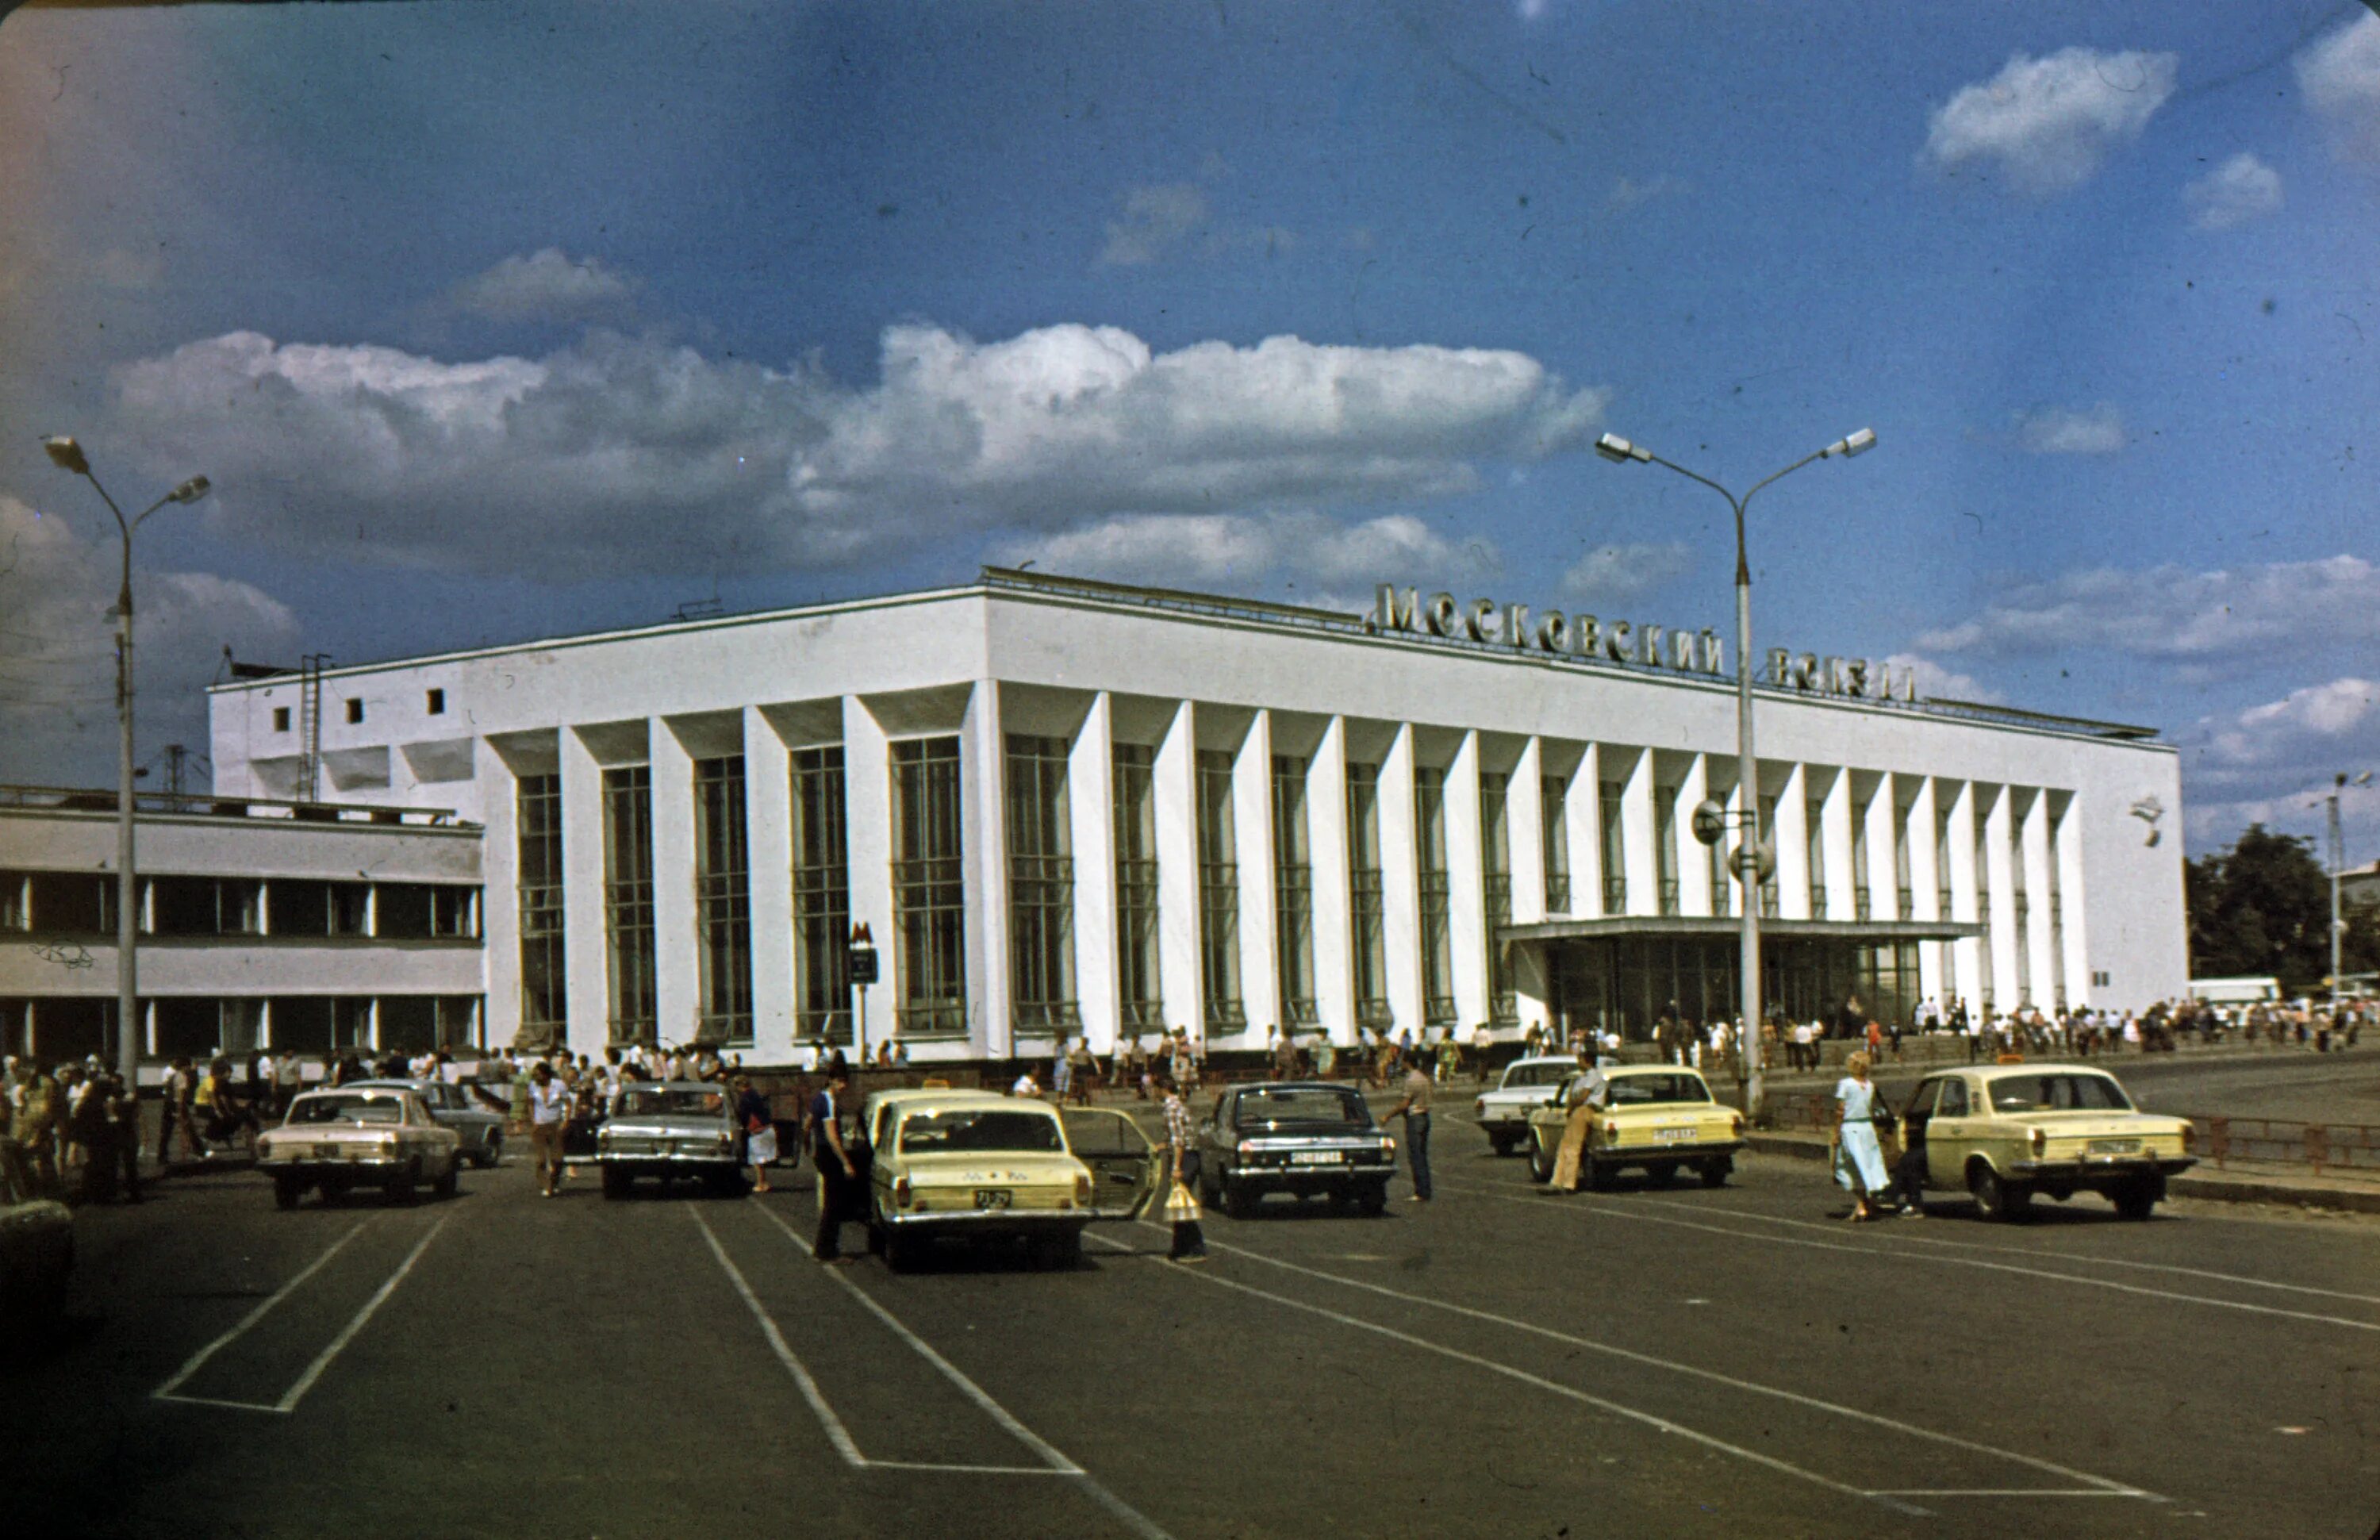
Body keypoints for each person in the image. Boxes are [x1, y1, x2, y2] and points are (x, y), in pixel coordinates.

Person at [808, 1061, 858, 1264]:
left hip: (820, 1152)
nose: (843, 1086)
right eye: (840, 1082)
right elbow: (832, 1136)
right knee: (834, 1203)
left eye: (845, 1082)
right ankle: (828, 1249)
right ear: (831, 1081)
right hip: (829, 1153)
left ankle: (824, 1246)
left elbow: (808, 1122)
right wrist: (845, 1161)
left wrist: (809, 1146)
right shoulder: (828, 1100)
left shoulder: (818, 1098)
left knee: (830, 1201)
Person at [1831, 1051, 1890, 1222]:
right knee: (1866, 1165)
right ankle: (1864, 1204)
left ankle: (1861, 1204)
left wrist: (1836, 1132)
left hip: (1851, 1127)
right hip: (1867, 1128)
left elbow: (1840, 1110)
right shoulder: (1870, 1085)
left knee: (1846, 1166)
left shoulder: (1846, 1084)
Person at [1157, 1072, 1206, 1262]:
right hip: (1189, 1155)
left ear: (1162, 1089)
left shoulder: (1171, 1108)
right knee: (1179, 1201)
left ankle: (1194, 1247)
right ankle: (1179, 1247)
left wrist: (1177, 1167)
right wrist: (1162, 1145)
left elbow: (1178, 1141)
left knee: (1181, 1201)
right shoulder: (1179, 1106)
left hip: (1184, 1158)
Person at [1377, 1050, 1434, 1202]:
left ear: (1407, 1062)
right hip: (1425, 1117)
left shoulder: (1411, 1080)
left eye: (1403, 1061)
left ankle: (1421, 1192)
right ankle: (1425, 1189)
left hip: (1415, 1118)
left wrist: (1387, 1116)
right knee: (1422, 1155)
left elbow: (1405, 1104)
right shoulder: (1424, 1078)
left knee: (1416, 1156)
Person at [527, 1060, 570, 1197]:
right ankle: (546, 1185)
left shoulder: (559, 1085)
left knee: (557, 1159)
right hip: (540, 1125)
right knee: (541, 1159)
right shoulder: (533, 1086)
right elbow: (530, 1104)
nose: (536, 1077)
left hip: (555, 1124)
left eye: (538, 1074)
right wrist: (533, 1121)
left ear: (546, 1075)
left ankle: (554, 1183)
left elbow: (568, 1103)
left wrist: (565, 1121)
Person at [734, 1075, 777, 1194]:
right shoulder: (754, 1094)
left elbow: (744, 1115)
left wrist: (741, 1125)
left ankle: (761, 1183)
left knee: (757, 1159)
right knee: (760, 1159)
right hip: (766, 1127)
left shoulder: (745, 1098)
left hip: (758, 1130)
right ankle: (763, 1182)